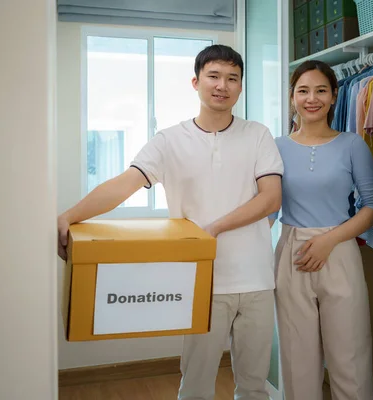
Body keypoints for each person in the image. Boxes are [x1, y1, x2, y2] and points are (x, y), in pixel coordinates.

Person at [57, 44, 284, 400]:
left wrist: (213, 228)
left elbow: (271, 198)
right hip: (202, 280)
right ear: (196, 82)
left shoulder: (258, 134)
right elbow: (123, 184)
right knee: (195, 384)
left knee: (254, 385)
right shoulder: (169, 140)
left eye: (232, 78)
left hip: (257, 278)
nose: (222, 85)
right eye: (214, 76)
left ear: (240, 87)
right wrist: (70, 216)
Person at [269, 60, 373, 400]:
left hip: (339, 250)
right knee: (297, 360)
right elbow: (270, 208)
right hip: (291, 253)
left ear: (335, 96)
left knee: (350, 357)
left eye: (321, 90)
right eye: (303, 91)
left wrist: (329, 240)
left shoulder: (351, 144)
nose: (312, 98)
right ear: (292, 97)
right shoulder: (276, 147)